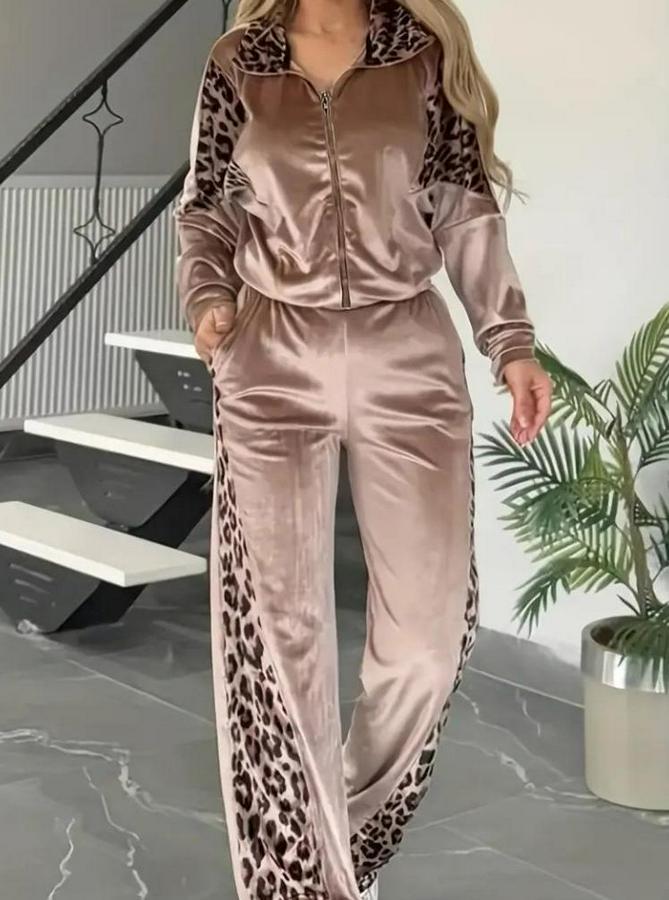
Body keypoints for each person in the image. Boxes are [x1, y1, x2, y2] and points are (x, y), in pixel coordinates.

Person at [173, 0, 552, 897]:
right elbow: (207, 209)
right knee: (277, 640)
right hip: (271, 354)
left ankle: (337, 839)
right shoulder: (239, 61)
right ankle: (308, 880)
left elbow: (464, 211)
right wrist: (208, 298)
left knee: (427, 641)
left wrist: (509, 339)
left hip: (405, 354)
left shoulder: (420, 56)